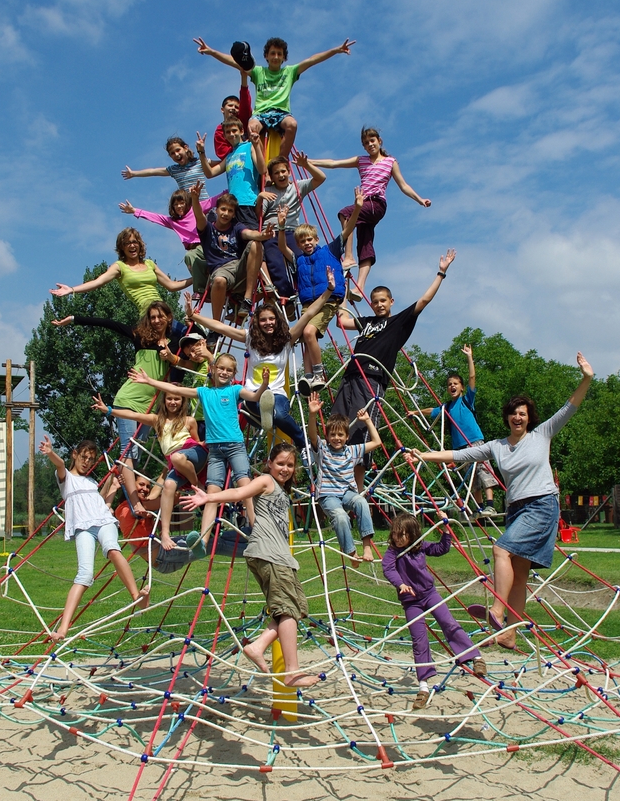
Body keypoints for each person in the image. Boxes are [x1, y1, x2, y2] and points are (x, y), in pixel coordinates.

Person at [410, 352, 595, 650]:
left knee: (499, 549)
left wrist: (586, 377)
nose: (517, 417)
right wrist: (423, 455)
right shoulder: (497, 446)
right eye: (513, 413)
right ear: (507, 417)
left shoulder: (542, 435)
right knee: (519, 574)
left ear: (529, 417)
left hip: (542, 504)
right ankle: (509, 633)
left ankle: (496, 612)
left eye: (522, 413)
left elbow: (569, 407)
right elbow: (459, 455)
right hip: (516, 509)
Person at [183, 442, 319, 687]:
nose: (285, 469)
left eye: (290, 465)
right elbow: (239, 493)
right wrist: (209, 496)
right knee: (287, 610)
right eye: (280, 463)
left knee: (295, 608)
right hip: (268, 555)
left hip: (279, 557)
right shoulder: (266, 481)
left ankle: (258, 646)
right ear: (269, 463)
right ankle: (292, 671)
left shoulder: (280, 490)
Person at [333, 250, 456, 490]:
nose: (379, 304)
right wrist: (342, 287)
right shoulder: (367, 322)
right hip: (350, 376)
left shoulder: (397, 322)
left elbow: (423, 301)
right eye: (375, 301)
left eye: (383, 301)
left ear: (391, 302)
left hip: (371, 379)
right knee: (337, 428)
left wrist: (441, 272)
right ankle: (339, 487)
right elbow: (342, 320)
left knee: (359, 432)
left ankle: (359, 494)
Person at [184, 265, 336, 450]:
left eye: (271, 319)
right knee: (255, 410)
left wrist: (328, 290)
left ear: (277, 320)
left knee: (279, 415)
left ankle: (302, 444)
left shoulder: (287, 339)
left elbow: (310, 313)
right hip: (253, 393)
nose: (268, 323)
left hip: (277, 393)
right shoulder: (250, 338)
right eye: (263, 320)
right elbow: (221, 327)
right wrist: (194, 316)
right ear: (257, 322)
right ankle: (268, 417)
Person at [50, 301, 186, 505]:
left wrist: (171, 357)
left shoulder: (175, 342)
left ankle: (112, 499)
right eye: (152, 317)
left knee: (135, 455)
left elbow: (186, 365)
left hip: (150, 405)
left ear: (168, 317)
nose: (156, 321)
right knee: (128, 450)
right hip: (129, 398)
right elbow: (108, 323)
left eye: (160, 316)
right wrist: (74, 319)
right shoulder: (140, 336)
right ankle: (135, 503)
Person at [130, 354, 271, 549]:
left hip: (235, 445)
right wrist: (149, 381)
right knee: (212, 492)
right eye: (221, 368)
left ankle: (257, 528)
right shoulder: (204, 392)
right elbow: (175, 389)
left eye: (229, 370)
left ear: (233, 373)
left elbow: (255, 397)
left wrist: (264, 384)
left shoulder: (235, 390)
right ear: (212, 369)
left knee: (245, 484)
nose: (224, 372)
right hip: (215, 450)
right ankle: (203, 540)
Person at [39, 436, 147, 641]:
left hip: (104, 521)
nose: (87, 461)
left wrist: (113, 485)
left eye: (90, 458)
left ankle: (136, 597)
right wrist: (51, 452)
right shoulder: (66, 479)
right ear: (75, 455)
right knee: (85, 575)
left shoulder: (90, 482)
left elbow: (102, 502)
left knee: (112, 549)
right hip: (83, 528)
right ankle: (63, 629)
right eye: (83, 457)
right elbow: (60, 464)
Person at [382, 513, 487, 710]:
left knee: (448, 623)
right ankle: (423, 686)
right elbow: (387, 569)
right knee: (419, 640)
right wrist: (401, 584)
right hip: (411, 602)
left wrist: (446, 530)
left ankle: (476, 657)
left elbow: (441, 548)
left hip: (429, 594)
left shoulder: (420, 546)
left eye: (402, 534)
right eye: (395, 534)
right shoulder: (392, 552)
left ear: (412, 535)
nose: (397, 538)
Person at [311, 126, 431, 297]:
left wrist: (420, 199)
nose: (370, 145)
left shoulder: (390, 162)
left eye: (372, 141)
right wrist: (309, 162)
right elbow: (334, 163)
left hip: (376, 204)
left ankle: (349, 256)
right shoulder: (361, 161)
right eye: (366, 143)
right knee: (365, 242)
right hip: (363, 204)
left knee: (346, 213)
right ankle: (359, 288)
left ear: (379, 141)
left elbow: (403, 185)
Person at [194, 36, 355, 159]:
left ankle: (281, 160)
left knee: (292, 124)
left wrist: (335, 50)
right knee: (251, 127)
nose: (276, 57)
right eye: (272, 53)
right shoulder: (259, 72)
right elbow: (235, 63)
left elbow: (312, 60)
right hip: (261, 113)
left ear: (284, 57)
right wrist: (211, 51)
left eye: (279, 54)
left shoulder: (289, 72)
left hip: (281, 113)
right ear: (266, 56)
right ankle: (258, 162)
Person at [91, 389, 207, 552]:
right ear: (164, 401)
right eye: (170, 398)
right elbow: (133, 416)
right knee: (168, 485)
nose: (173, 402)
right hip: (177, 462)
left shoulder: (189, 420)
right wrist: (109, 410)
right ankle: (165, 534)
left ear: (182, 402)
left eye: (177, 399)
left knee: (177, 458)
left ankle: (196, 486)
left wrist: (205, 444)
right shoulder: (157, 420)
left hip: (193, 455)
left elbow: (196, 442)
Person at [279, 187, 364, 395]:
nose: (307, 244)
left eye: (310, 240)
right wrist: (281, 227)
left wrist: (358, 208)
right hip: (308, 304)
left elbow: (347, 230)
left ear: (316, 239)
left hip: (328, 301)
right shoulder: (298, 260)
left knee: (308, 332)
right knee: (307, 338)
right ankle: (308, 377)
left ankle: (318, 372)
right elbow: (282, 247)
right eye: (302, 241)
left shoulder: (330, 250)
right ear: (298, 244)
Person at [417, 344, 499, 516]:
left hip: (474, 441)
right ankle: (480, 508)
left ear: (461, 387)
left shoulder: (467, 400)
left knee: (483, 471)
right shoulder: (446, 407)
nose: (452, 386)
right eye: (449, 384)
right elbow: (432, 411)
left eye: (455, 384)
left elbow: (472, 376)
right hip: (460, 449)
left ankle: (490, 504)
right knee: (472, 480)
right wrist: (415, 412)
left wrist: (469, 357)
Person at [49, 227, 191, 317]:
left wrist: (196, 278)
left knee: (190, 339)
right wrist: (72, 289)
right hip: (148, 315)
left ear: (139, 244)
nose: (132, 245)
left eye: (134, 242)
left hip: (163, 312)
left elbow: (171, 286)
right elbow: (98, 282)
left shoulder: (149, 264)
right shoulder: (120, 267)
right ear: (122, 248)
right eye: (127, 243)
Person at [307, 393, 381, 563]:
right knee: (340, 516)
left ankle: (367, 546)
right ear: (327, 437)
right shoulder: (323, 450)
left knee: (361, 502)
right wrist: (312, 414)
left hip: (347, 493)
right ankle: (351, 553)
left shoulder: (352, 451)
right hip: (328, 495)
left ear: (347, 437)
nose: (336, 438)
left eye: (340, 435)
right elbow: (312, 435)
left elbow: (377, 442)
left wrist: (368, 421)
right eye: (332, 435)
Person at [189, 181, 272, 326]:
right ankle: (216, 326)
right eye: (223, 209)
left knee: (255, 244)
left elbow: (248, 233)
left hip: (239, 269)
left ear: (234, 214)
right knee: (219, 280)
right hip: (221, 270)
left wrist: (261, 235)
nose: (226, 214)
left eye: (230, 211)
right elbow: (199, 217)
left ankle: (247, 298)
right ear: (217, 210)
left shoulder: (236, 227)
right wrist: (195, 199)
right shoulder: (208, 228)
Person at [119, 191, 222, 297]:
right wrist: (135, 211)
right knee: (191, 258)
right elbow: (155, 217)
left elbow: (213, 201)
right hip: (195, 250)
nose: (179, 206)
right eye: (176, 204)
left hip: (207, 244)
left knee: (190, 256)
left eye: (181, 203)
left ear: (187, 202)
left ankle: (203, 287)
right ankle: (204, 288)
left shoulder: (195, 208)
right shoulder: (173, 222)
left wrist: (232, 190)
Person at [258, 150, 326, 304]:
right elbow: (260, 216)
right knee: (275, 263)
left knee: (301, 261)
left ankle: (307, 292)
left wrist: (306, 164)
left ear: (289, 172)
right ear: (272, 177)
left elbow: (321, 178)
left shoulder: (297, 186)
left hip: (291, 231)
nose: (281, 175)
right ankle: (285, 295)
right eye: (276, 173)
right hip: (272, 231)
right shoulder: (268, 191)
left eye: (283, 171)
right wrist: (260, 197)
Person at [196, 117, 265, 229]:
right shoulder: (229, 156)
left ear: (241, 131)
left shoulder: (250, 147)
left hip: (247, 202)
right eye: (228, 132)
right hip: (232, 206)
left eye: (234, 131)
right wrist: (201, 152)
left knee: (250, 237)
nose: (231, 134)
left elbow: (262, 170)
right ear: (224, 136)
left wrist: (257, 145)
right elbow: (210, 173)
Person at [121, 136, 209, 200]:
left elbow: (220, 164)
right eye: (172, 153)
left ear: (185, 148)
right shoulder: (174, 170)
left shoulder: (199, 162)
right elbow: (153, 171)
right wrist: (134, 173)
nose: (176, 155)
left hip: (205, 203)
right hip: (189, 208)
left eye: (178, 150)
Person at [214, 82, 252, 160]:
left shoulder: (243, 121)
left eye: (236, 107)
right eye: (230, 105)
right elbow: (222, 151)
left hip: (253, 154)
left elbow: (245, 104)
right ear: (222, 109)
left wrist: (244, 85)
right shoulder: (220, 130)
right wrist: (241, 148)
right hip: (236, 161)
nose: (233, 108)